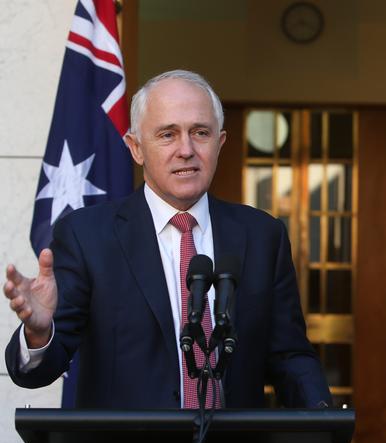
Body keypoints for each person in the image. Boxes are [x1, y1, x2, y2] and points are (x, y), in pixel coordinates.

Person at [4, 69, 332, 409]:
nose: (186, 150)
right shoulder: (86, 236)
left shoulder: (263, 235)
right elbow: (38, 371)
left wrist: (327, 423)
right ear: (136, 148)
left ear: (219, 143)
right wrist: (40, 334)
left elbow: (289, 355)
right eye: (167, 135)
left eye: (200, 133)